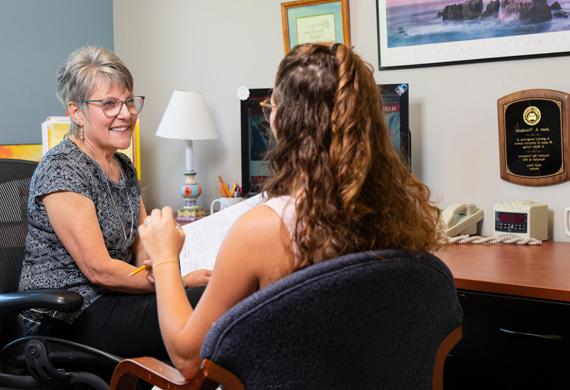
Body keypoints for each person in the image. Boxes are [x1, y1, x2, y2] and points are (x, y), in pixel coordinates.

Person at [139, 42, 443, 379]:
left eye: (272, 105)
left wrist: (165, 257)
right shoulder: (398, 218)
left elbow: (188, 357)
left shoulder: (264, 230)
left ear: (283, 121)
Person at [18, 46, 210, 359]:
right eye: (109, 104)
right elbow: (100, 271)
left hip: (112, 300)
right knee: (202, 304)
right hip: (64, 318)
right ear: (77, 112)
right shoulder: (62, 167)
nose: (126, 113)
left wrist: (160, 254)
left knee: (207, 303)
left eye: (129, 101)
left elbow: (142, 246)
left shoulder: (123, 166)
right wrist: (179, 282)